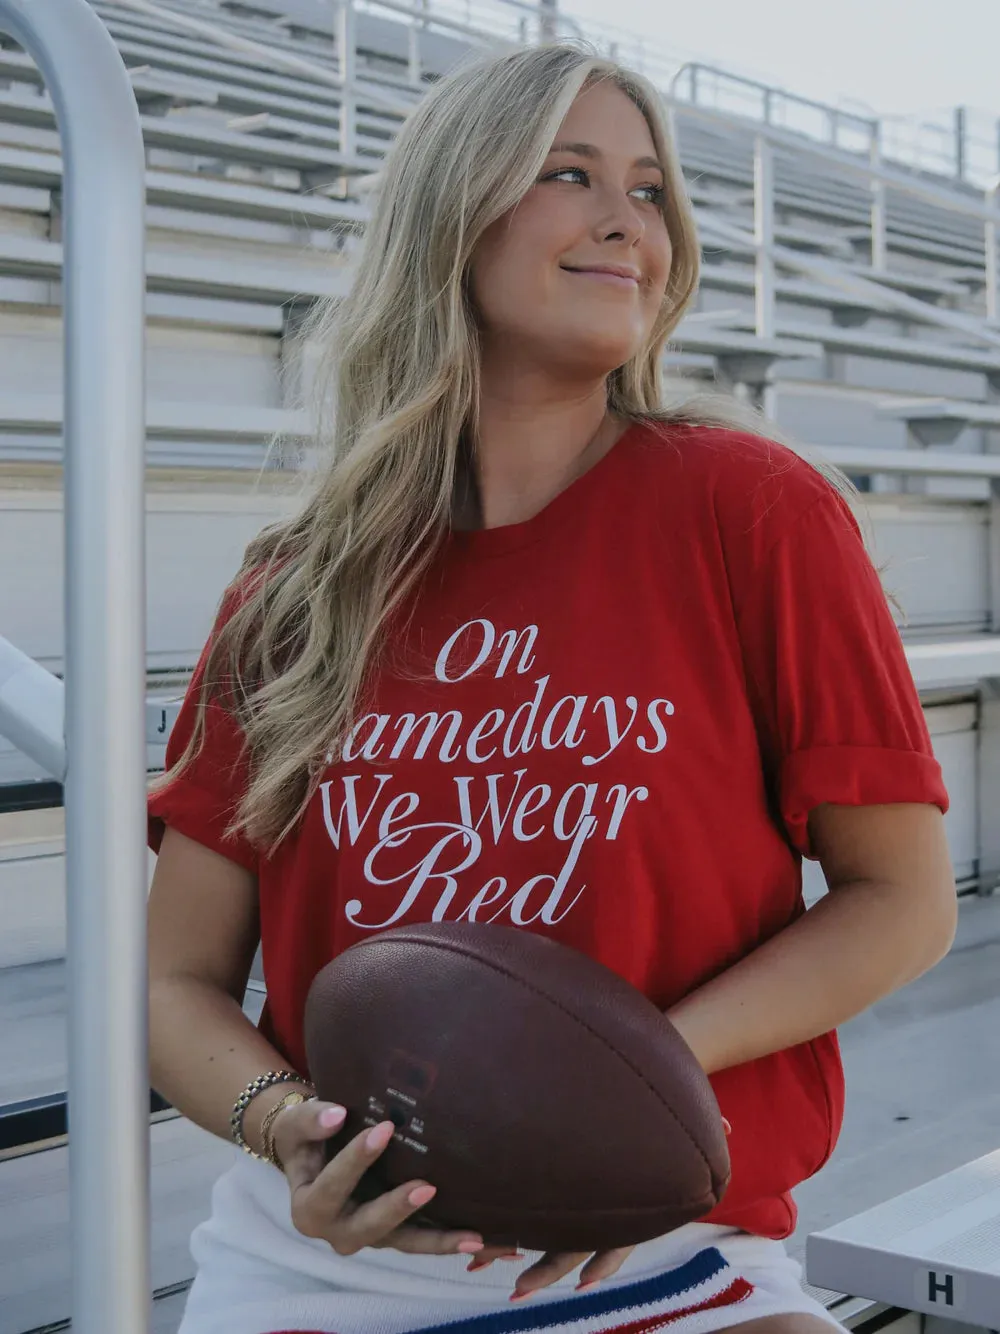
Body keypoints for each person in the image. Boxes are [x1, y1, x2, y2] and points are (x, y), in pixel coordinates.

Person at [146, 42, 956, 1334]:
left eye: (649, 191)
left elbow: (902, 900)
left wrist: (621, 1090)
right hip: (319, 1273)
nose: (624, 222)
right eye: (569, 174)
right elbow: (176, 980)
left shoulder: (752, 508)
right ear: (450, 215)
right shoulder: (297, 587)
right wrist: (287, 1130)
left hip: (659, 1249)